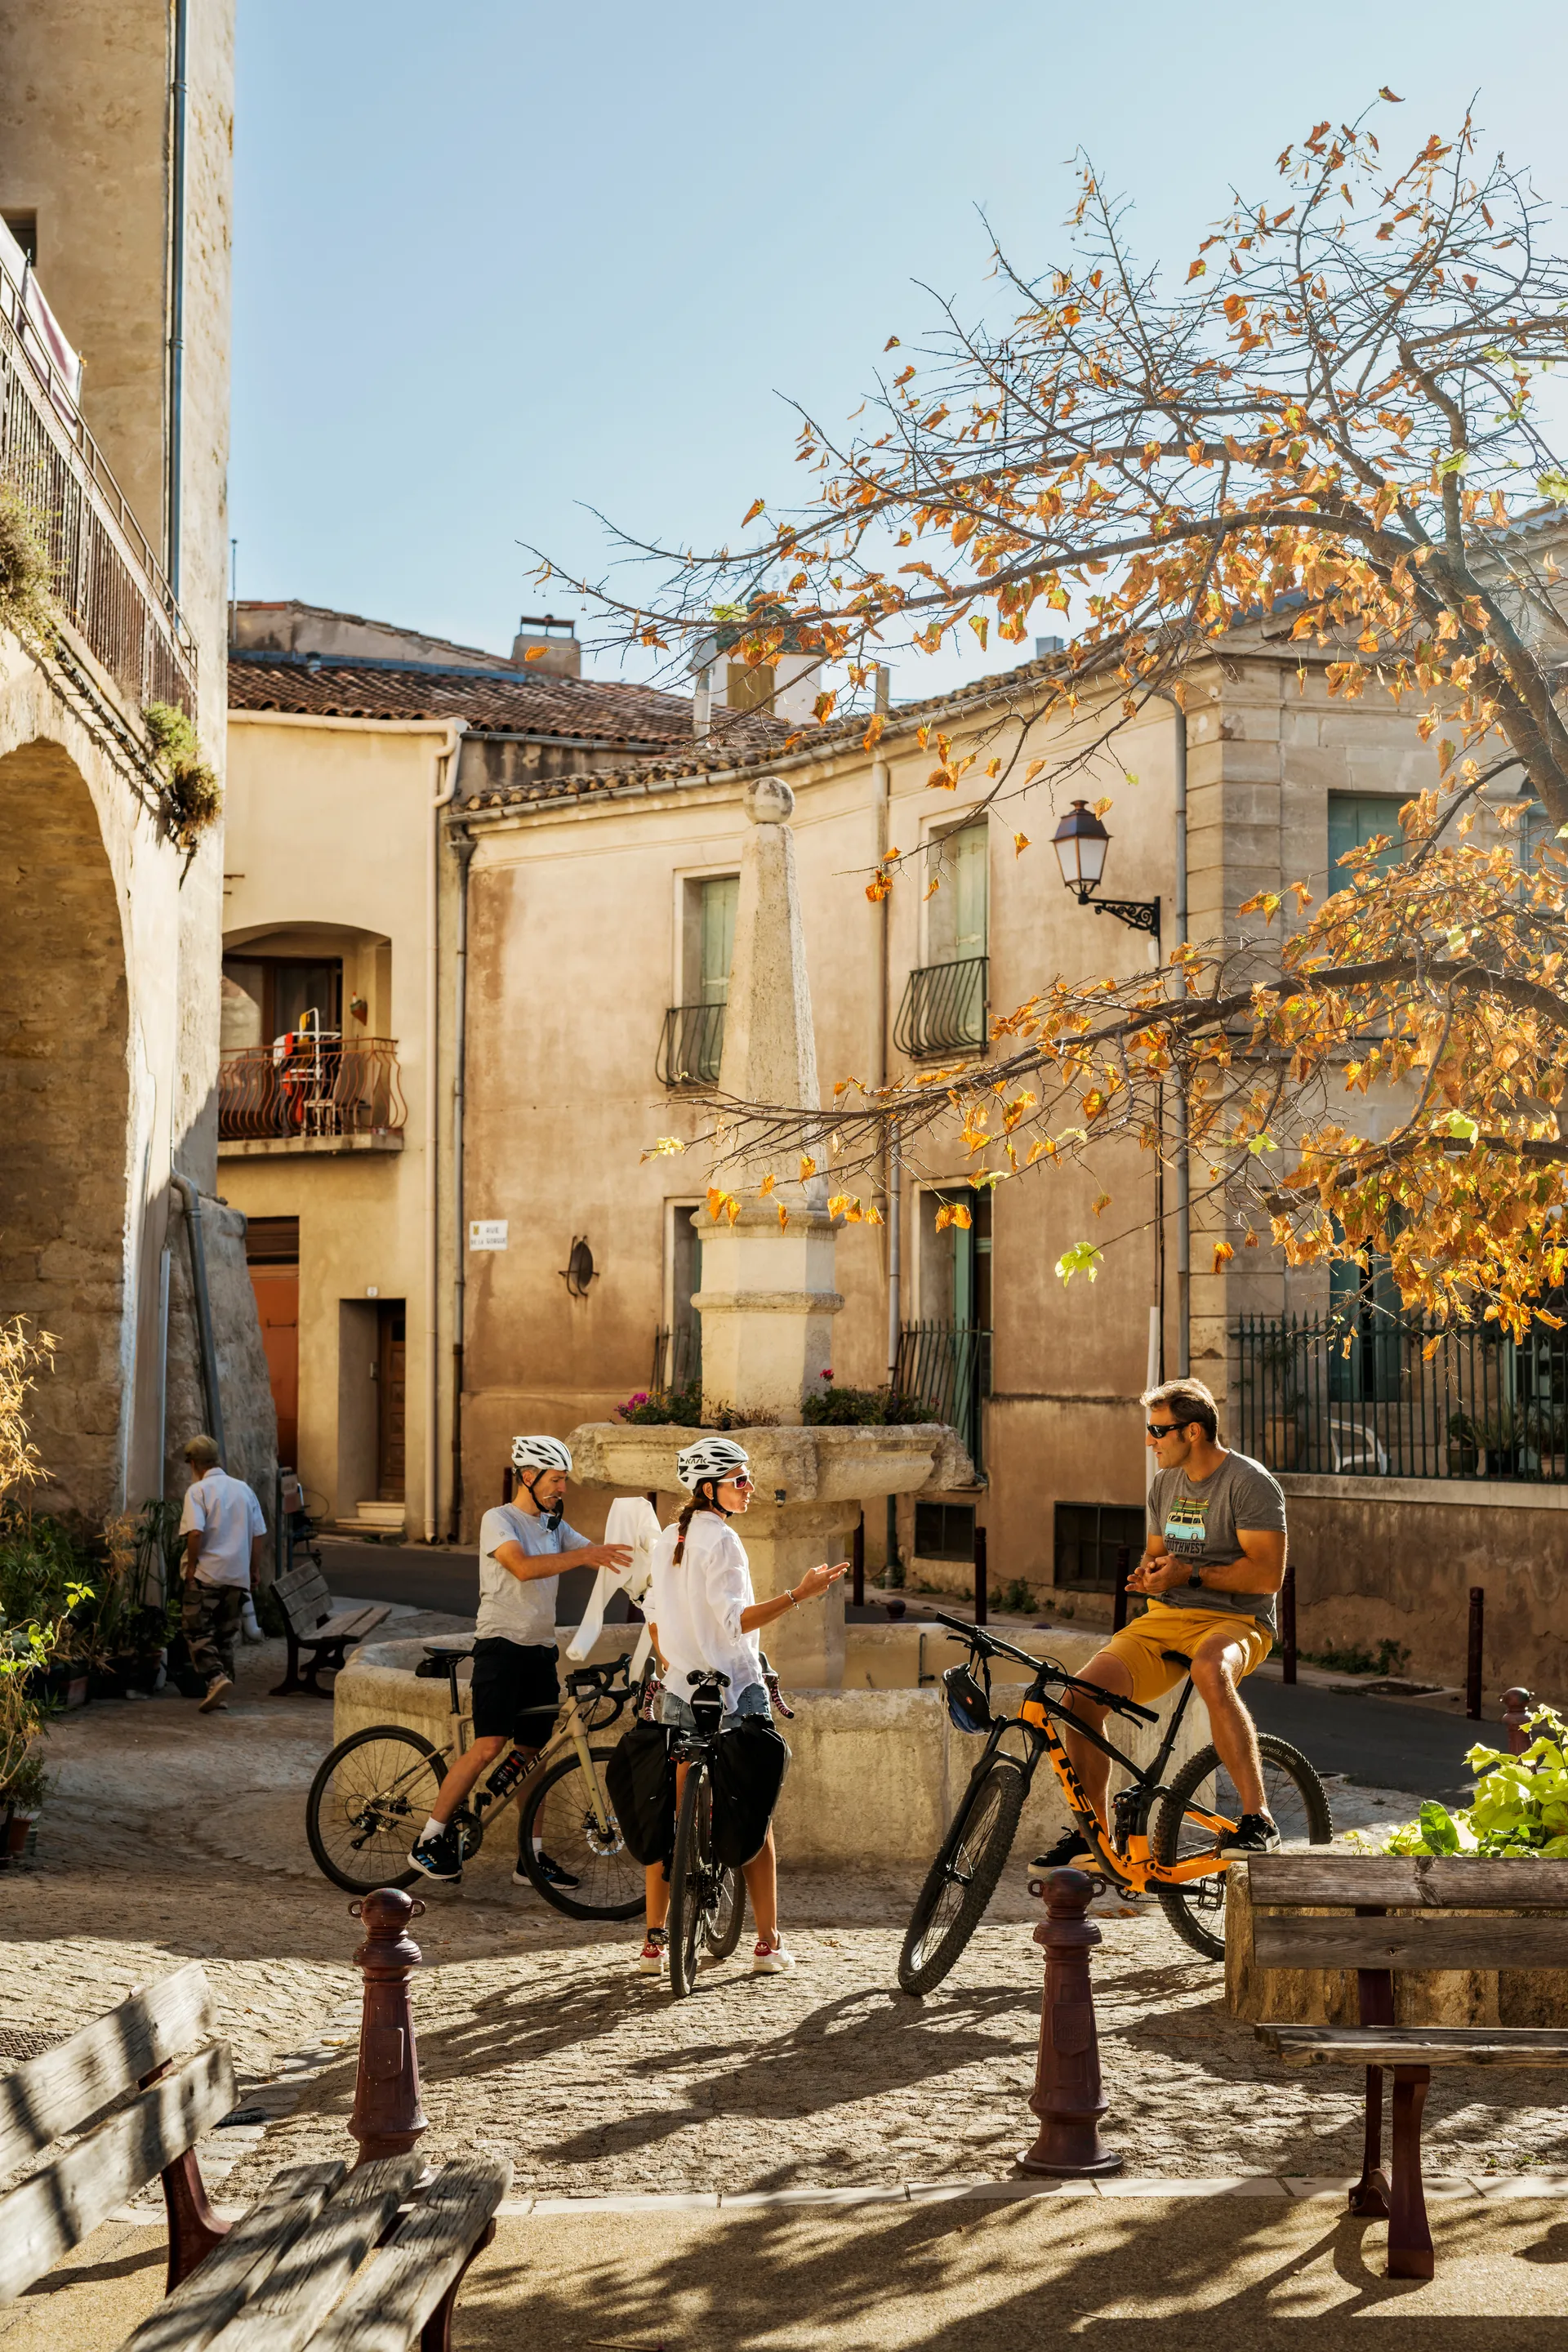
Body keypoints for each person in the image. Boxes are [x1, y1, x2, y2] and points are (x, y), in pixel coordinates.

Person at [1034, 1376, 1289, 1872]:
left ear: (1192, 1432)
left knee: (1210, 1671)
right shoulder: (1164, 1484)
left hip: (1237, 1619)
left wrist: (1190, 1572)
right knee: (1078, 1698)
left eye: (1157, 1430)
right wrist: (1150, 1578)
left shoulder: (1249, 1482)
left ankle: (1259, 1820)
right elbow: (1158, 1556)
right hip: (1167, 1617)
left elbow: (1266, 1576)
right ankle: (1094, 1835)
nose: (1148, 1441)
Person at [635, 1435, 847, 1979]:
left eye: (747, 1478)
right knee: (753, 1812)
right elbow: (736, 1623)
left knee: (675, 1810)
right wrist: (800, 1595)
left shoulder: (667, 1540)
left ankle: (653, 1944)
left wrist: (680, 1661)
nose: (749, 1488)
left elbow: (656, 1623)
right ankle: (768, 1944)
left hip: (682, 1689)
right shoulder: (723, 1542)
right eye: (739, 1480)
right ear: (710, 1489)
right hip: (733, 1686)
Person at [409, 1436, 632, 1886]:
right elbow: (523, 1568)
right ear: (528, 1477)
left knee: (532, 1756)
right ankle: (428, 1840)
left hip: (539, 1652)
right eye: (555, 1479)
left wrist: (647, 1564)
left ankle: (529, 1859)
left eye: (564, 1479)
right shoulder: (500, 1520)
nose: (562, 1488)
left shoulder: (552, 1525)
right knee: (490, 1745)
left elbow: (599, 1556)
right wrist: (584, 1555)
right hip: (501, 1647)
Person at [177, 1434, 269, 1713]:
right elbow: (258, 1535)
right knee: (226, 1633)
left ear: (193, 1464)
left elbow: (195, 1532)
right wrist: (253, 1570)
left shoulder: (198, 1491)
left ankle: (215, 1678)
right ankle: (221, 1689)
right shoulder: (244, 1490)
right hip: (236, 1576)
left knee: (196, 1629)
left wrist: (191, 1568)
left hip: (207, 1574)